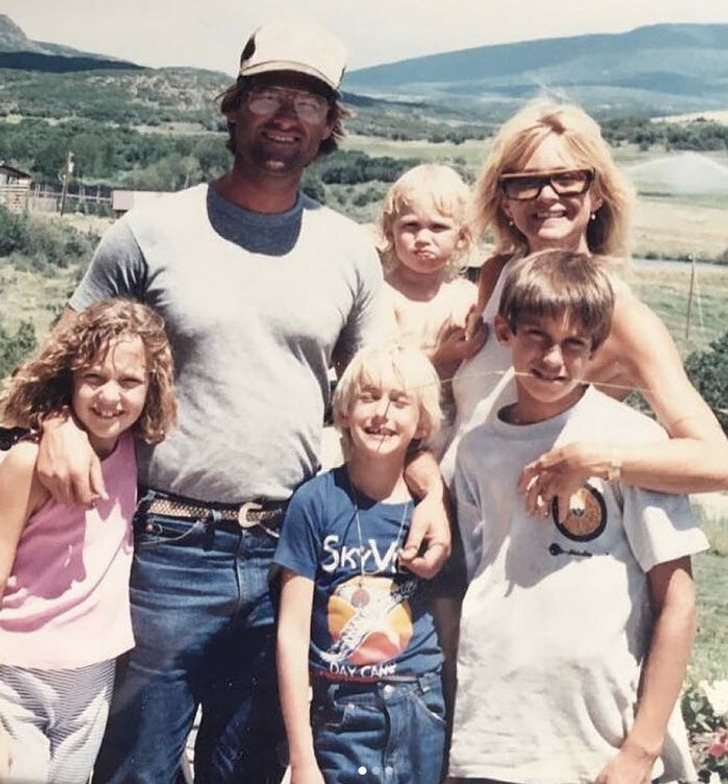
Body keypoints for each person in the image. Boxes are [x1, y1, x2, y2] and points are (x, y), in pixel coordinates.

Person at [34, 20, 451, 784]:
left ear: (329, 126)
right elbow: (54, 364)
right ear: (234, 106)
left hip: (288, 553)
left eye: (307, 102)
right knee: (136, 769)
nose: (285, 115)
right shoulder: (151, 232)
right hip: (164, 547)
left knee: (251, 768)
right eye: (268, 96)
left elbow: (389, 395)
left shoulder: (347, 251)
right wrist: (57, 423)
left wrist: (431, 493)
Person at [447, 250, 708, 784]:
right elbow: (474, 582)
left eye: (574, 344)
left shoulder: (634, 444)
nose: (553, 359)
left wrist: (642, 748)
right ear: (504, 332)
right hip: (495, 734)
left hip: (598, 740)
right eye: (537, 336)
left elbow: (678, 602)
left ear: (596, 348)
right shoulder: (477, 449)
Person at [441, 98, 728, 501]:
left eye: (567, 178)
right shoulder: (497, 275)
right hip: (449, 515)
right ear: (505, 201)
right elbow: (468, 415)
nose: (546, 195)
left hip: (529, 528)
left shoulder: (621, 315)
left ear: (597, 195)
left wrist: (600, 461)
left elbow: (717, 460)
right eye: (525, 182)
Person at [0, 299, 176, 784]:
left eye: (129, 381)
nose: (109, 396)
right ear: (69, 378)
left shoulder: (136, 453)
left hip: (92, 677)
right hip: (15, 672)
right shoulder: (29, 463)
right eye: (93, 377)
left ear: (152, 386)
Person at [275, 343, 448, 784]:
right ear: (344, 411)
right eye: (368, 397)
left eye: (400, 401)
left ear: (422, 423)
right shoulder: (315, 502)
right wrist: (302, 760)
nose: (382, 413)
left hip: (419, 704)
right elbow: (292, 633)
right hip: (342, 712)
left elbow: (448, 620)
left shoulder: (431, 514)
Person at [379, 163, 486, 457]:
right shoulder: (384, 295)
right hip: (392, 425)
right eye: (410, 226)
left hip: (456, 426)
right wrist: (441, 356)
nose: (423, 238)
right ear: (390, 232)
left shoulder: (467, 296)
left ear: (462, 237)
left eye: (438, 227)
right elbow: (381, 367)